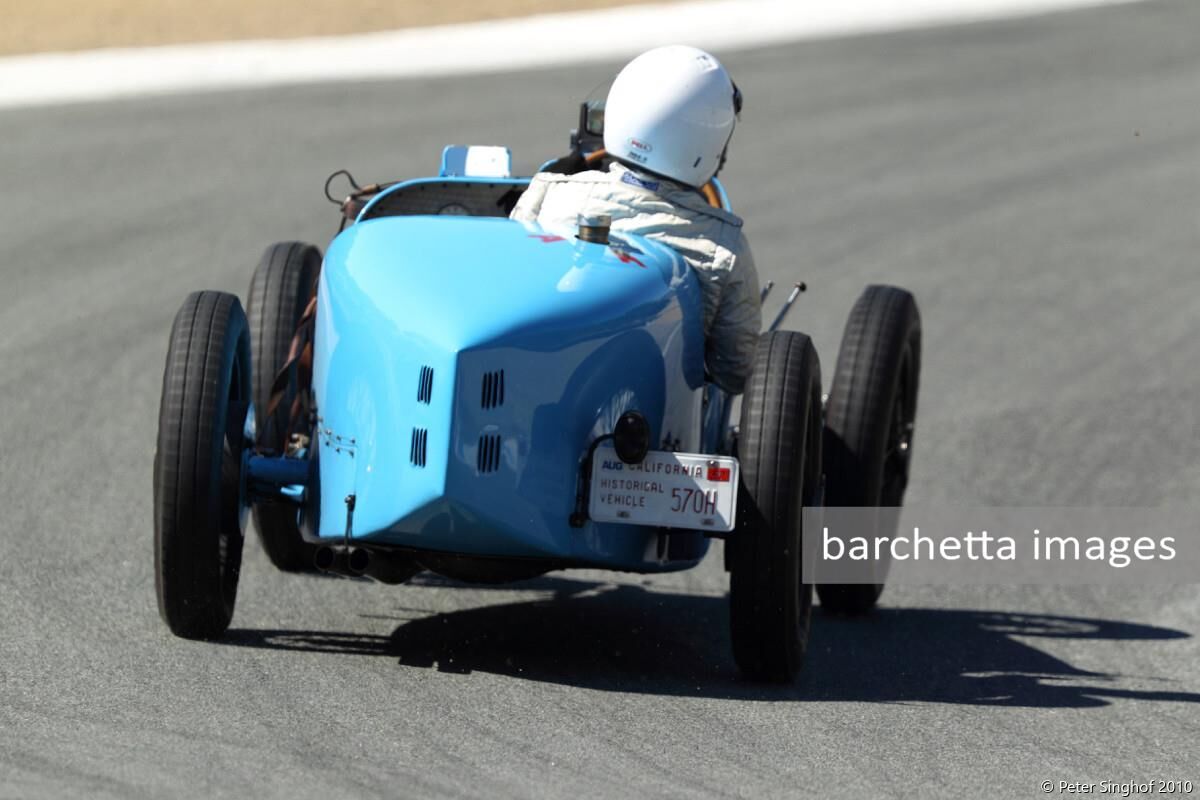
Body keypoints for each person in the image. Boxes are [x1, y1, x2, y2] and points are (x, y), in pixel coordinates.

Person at [510, 45, 762, 395]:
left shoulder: (547, 193)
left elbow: (512, 287)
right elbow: (736, 371)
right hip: (661, 415)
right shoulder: (723, 245)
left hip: (535, 389)